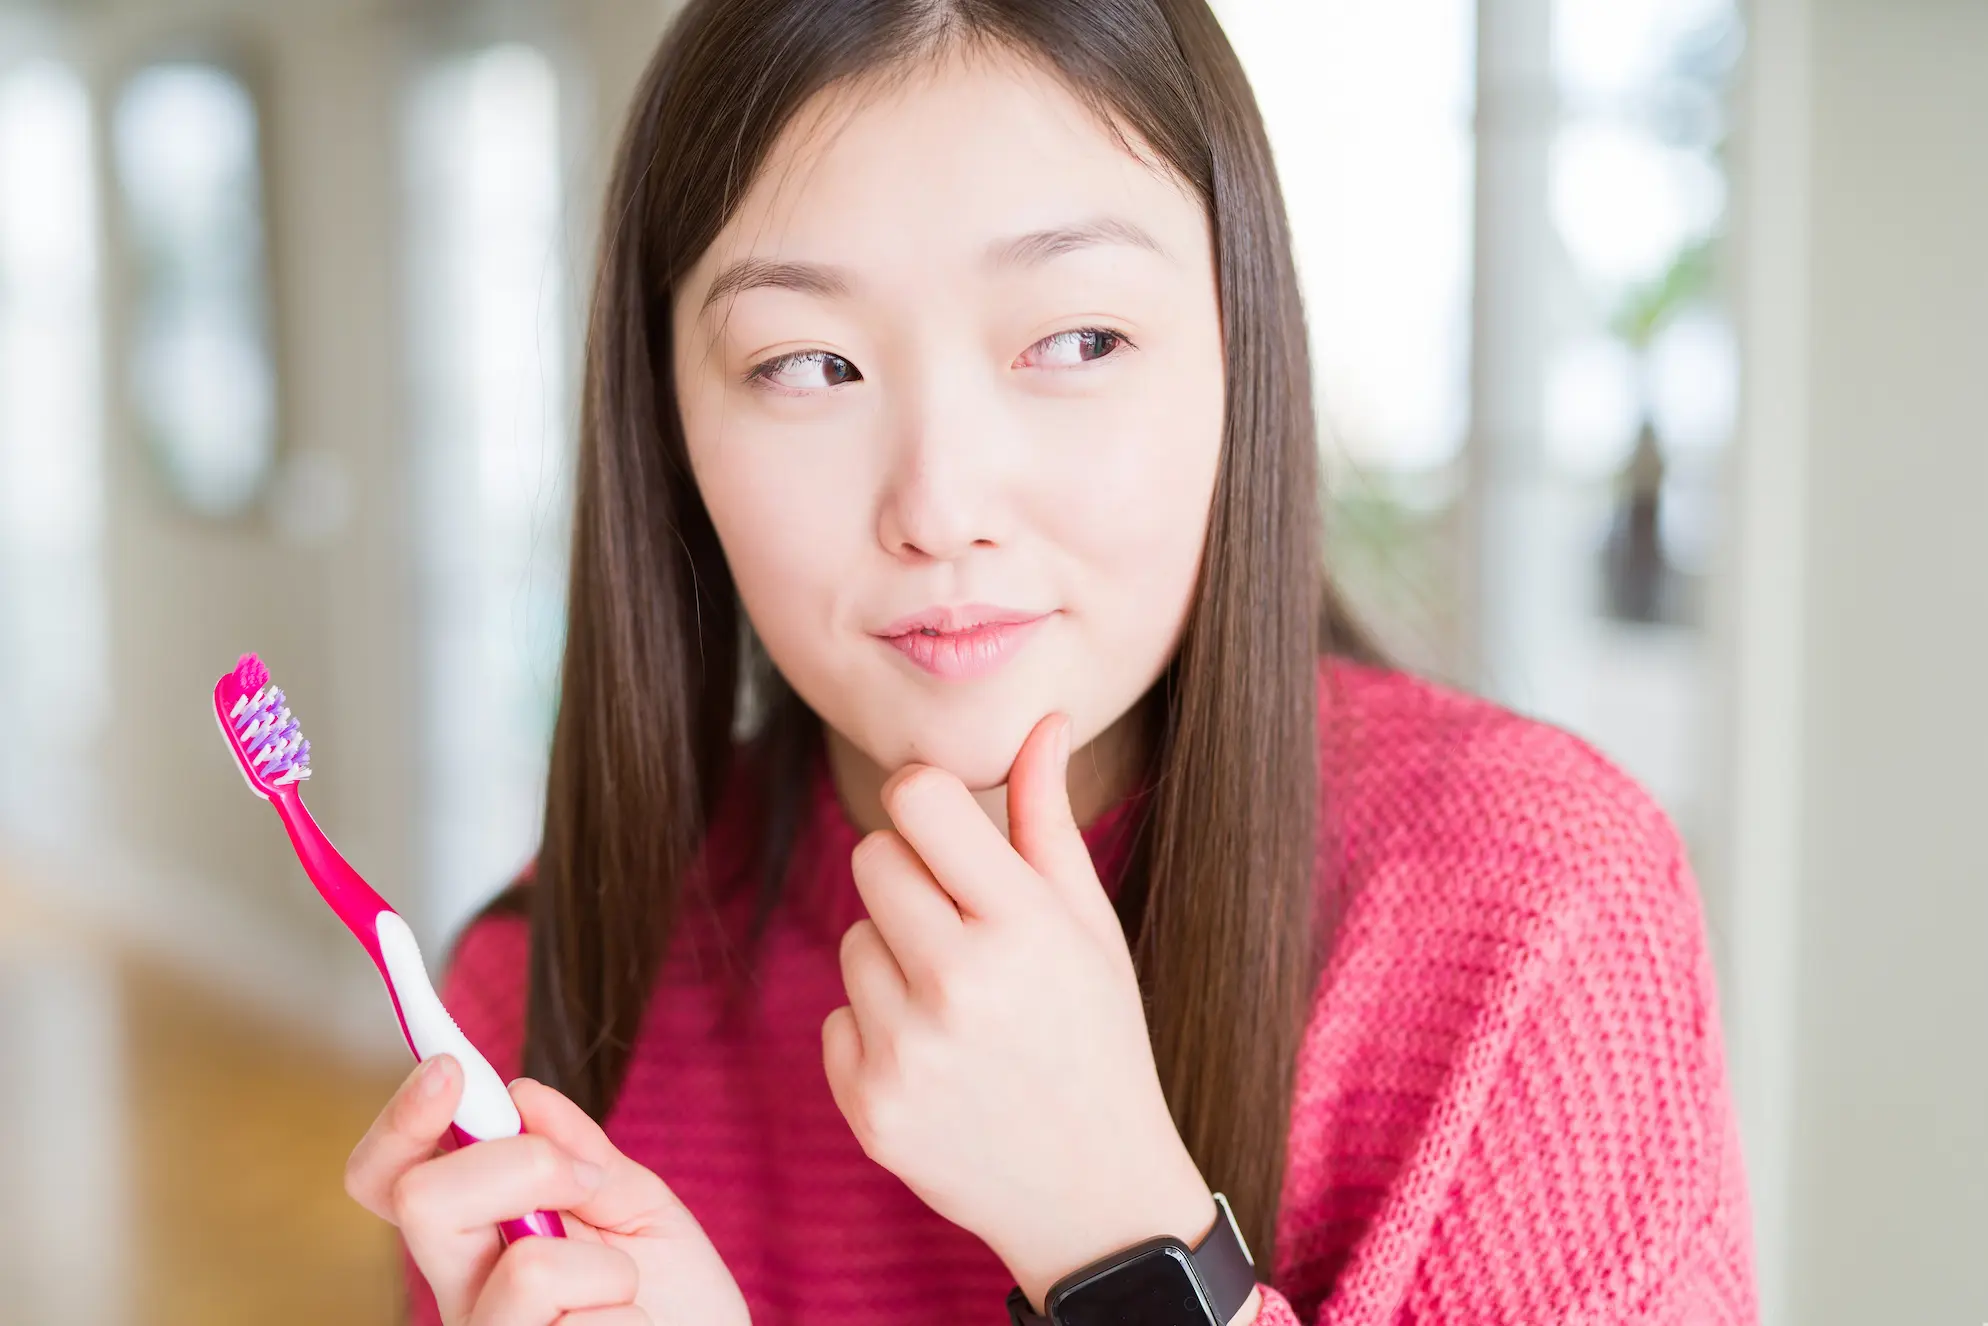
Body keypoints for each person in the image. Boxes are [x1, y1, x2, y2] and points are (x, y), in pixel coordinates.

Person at [343, 1, 1757, 1322]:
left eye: (1076, 338)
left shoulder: (1528, 916)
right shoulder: (541, 1012)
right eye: (807, 364)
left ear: (1236, 351)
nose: (942, 502)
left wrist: (1119, 1237)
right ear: (668, 425)